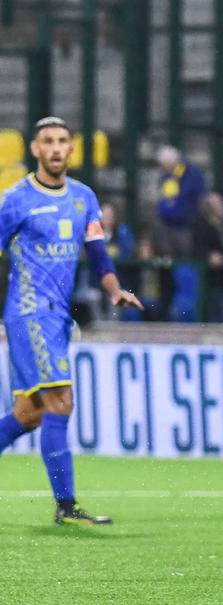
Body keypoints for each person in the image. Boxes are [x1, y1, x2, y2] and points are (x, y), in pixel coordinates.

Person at [0, 117, 143, 523]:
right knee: (61, 401)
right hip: (28, 312)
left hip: (58, 317)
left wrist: (114, 288)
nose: (57, 148)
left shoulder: (83, 198)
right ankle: (67, 506)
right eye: (49, 141)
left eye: (63, 141)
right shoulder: (15, 199)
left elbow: (98, 254)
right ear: (35, 149)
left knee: (29, 414)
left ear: (71, 148)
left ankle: (65, 504)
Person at [155, 145, 205, 258]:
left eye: (163, 165)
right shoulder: (165, 177)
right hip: (167, 225)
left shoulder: (191, 174)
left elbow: (196, 195)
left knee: (186, 258)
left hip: (186, 226)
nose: (162, 168)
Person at [192, 192, 223, 323]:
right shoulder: (201, 225)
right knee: (213, 307)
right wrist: (209, 256)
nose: (222, 206)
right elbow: (195, 249)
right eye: (217, 204)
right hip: (210, 277)